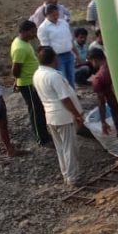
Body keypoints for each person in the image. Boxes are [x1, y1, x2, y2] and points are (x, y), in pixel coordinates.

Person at [34, 46, 85, 187]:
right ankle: (73, 177)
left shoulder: (37, 74)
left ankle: (66, 175)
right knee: (69, 147)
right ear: (54, 59)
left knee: (61, 148)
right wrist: (77, 115)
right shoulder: (54, 76)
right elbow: (65, 99)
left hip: (50, 116)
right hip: (63, 116)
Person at [88, 48, 118, 168]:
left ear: (94, 60)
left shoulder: (98, 78)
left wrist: (103, 121)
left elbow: (101, 102)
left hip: (117, 107)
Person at [11, 20, 51, 148]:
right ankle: (41, 138)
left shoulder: (24, 43)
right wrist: (17, 81)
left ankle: (44, 133)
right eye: (32, 32)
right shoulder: (20, 48)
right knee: (35, 111)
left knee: (39, 109)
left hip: (32, 82)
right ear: (24, 32)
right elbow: (15, 70)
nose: (35, 34)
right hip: (28, 84)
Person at [38, 4, 79, 86]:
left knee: (71, 78)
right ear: (47, 15)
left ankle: (73, 95)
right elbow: (46, 47)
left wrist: (77, 55)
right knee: (62, 80)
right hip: (57, 57)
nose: (56, 17)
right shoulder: (43, 28)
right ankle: (65, 97)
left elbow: (70, 39)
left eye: (57, 14)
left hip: (69, 54)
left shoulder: (63, 23)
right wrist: (53, 60)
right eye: (54, 15)